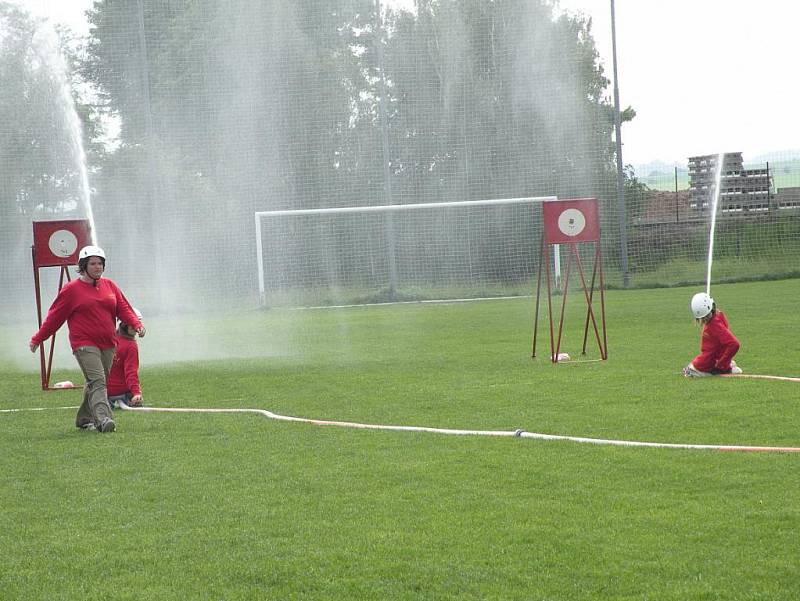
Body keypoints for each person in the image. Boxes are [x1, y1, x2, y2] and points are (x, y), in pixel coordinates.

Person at [29, 245, 145, 432]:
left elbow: (123, 308)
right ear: (83, 265)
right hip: (84, 344)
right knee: (98, 381)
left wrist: (137, 325)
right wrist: (38, 338)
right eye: (93, 263)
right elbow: (54, 317)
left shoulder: (110, 286)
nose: (97, 267)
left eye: (100, 263)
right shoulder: (71, 290)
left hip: (108, 343)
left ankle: (84, 419)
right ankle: (104, 419)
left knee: (95, 382)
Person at [683, 292, 742, 377]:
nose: (704, 320)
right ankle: (728, 366)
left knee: (690, 371)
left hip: (708, 364)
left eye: (705, 316)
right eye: (702, 318)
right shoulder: (718, 314)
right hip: (713, 359)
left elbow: (734, 344)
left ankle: (726, 367)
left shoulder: (714, 325)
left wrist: (721, 365)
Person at [107, 308, 144, 409]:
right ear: (124, 324)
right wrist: (136, 393)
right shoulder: (131, 346)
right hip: (123, 393)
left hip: (103, 392)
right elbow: (131, 372)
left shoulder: (109, 336)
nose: (135, 327)